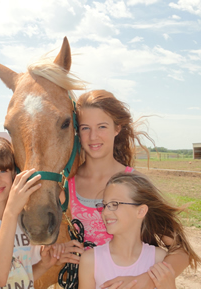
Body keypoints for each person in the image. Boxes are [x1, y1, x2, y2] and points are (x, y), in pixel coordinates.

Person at [63, 90, 191, 288]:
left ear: (117, 128)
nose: (93, 136)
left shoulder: (133, 182)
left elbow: (181, 250)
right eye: (85, 128)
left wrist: (145, 280)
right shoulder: (66, 184)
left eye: (102, 126)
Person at [0, 135, 69, 289]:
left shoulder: (25, 222)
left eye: (3, 171)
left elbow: (19, 278)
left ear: (14, 174)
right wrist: (11, 212)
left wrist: (44, 265)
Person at [78, 172, 201, 289]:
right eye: (104, 205)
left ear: (141, 211)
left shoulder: (159, 259)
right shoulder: (91, 260)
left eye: (114, 204)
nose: (105, 212)